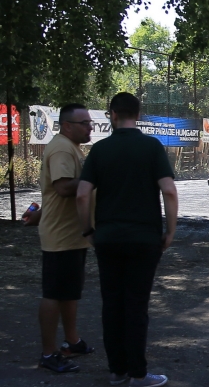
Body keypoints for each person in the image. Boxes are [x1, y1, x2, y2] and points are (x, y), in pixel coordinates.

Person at [76, 92, 178, 387]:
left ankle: (117, 371)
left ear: (112, 114)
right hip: (144, 239)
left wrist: (88, 231)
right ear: (139, 114)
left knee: (112, 304)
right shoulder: (151, 147)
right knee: (136, 305)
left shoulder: (100, 150)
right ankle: (138, 373)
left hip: (107, 238)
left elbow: (82, 194)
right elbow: (169, 191)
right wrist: (169, 230)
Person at [23, 103, 95, 373]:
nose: (90, 127)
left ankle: (72, 341)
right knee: (54, 293)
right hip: (61, 236)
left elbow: (51, 195)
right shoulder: (62, 148)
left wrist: (38, 215)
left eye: (90, 122)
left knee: (69, 292)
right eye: (84, 123)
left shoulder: (70, 147)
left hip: (70, 234)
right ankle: (49, 352)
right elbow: (64, 188)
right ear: (67, 126)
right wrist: (97, 175)